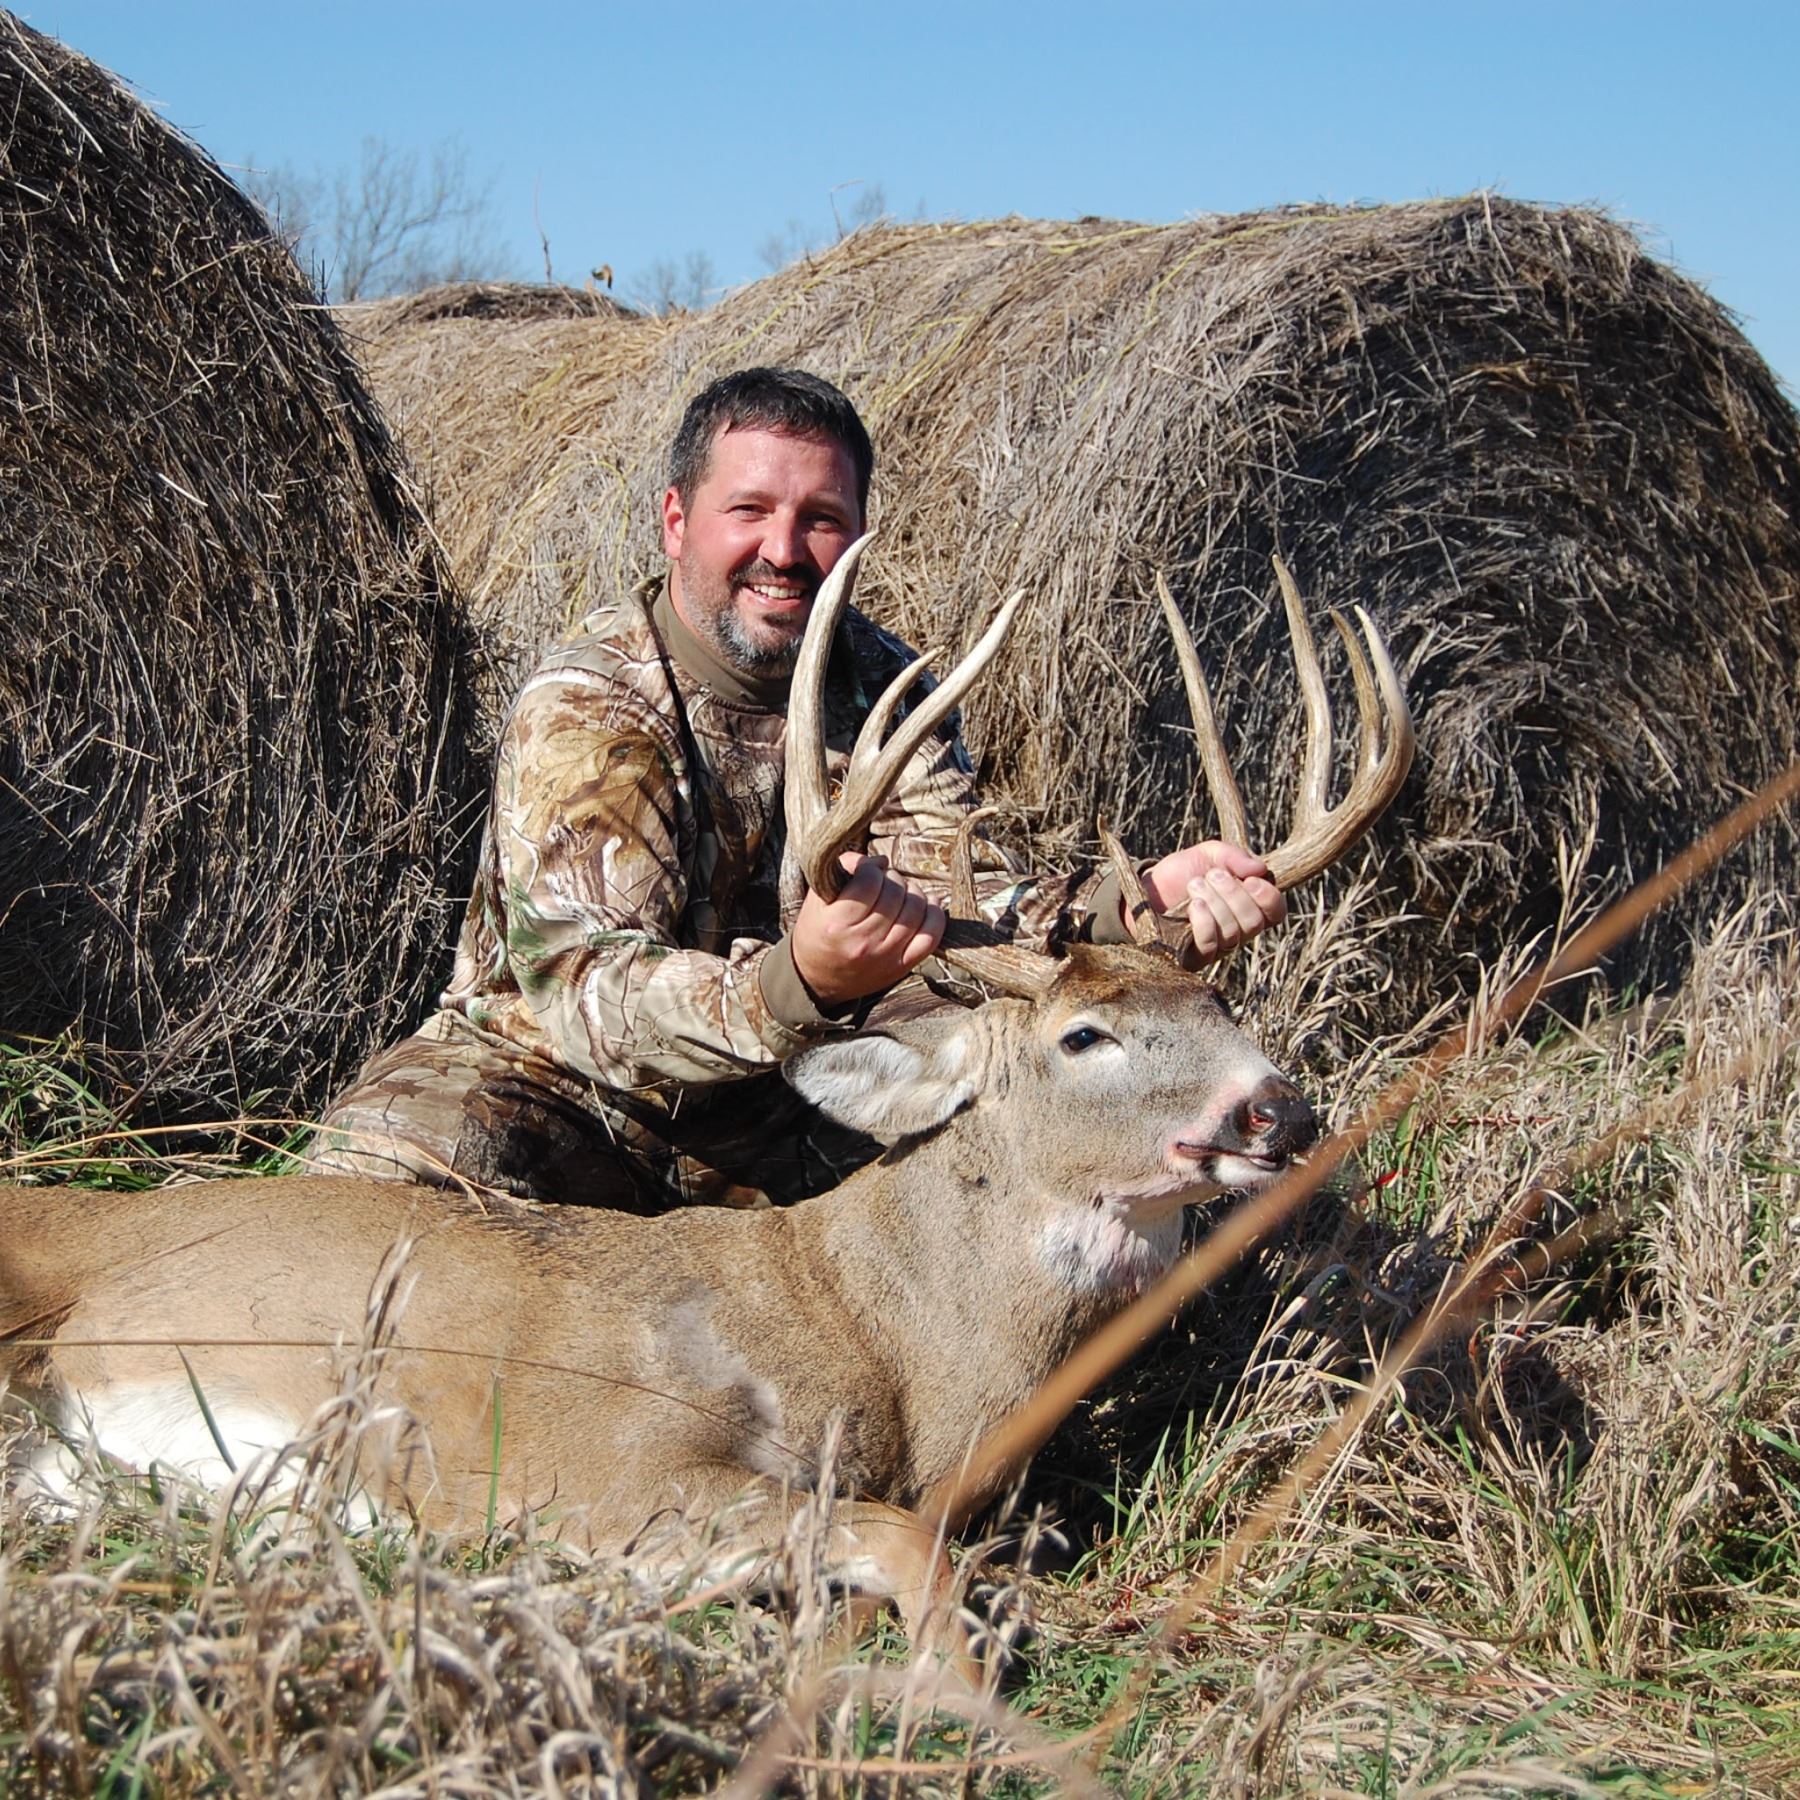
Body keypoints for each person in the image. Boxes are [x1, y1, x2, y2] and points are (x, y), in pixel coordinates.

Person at [310, 368, 1285, 1209]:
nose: (784, 550)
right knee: (382, 1172)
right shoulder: (591, 703)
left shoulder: (885, 687)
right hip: (558, 1091)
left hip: (787, 1095)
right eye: (749, 511)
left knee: (1008, 1113)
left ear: (860, 533)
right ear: (677, 522)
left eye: (821, 519)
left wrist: (1126, 913)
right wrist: (798, 981)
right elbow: (585, 995)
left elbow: (958, 894)